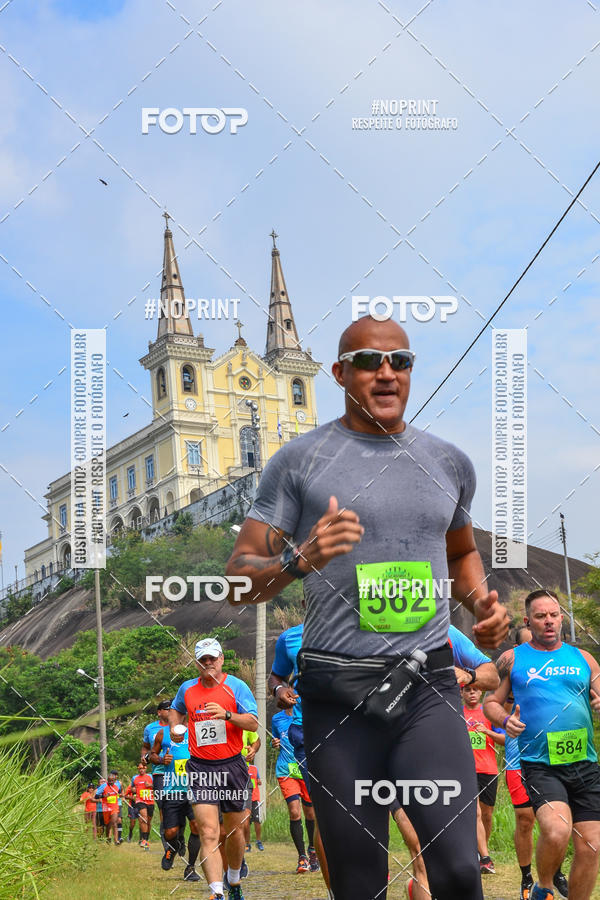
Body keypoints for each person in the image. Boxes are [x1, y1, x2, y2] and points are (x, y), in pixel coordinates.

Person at [226, 315, 509, 899]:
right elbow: (238, 578)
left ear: (410, 373)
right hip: (338, 696)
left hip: (426, 687)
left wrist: (480, 600)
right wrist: (298, 561)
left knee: (458, 870)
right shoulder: (299, 462)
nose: (386, 372)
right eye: (368, 361)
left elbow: (461, 556)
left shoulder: (450, 462)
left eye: (399, 361)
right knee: (359, 883)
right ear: (338, 373)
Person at [484, 589, 600, 900]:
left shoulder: (583, 658)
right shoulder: (513, 658)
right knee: (557, 830)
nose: (548, 621)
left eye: (553, 615)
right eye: (540, 616)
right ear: (528, 621)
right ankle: (544, 887)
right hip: (541, 764)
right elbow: (490, 702)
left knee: (591, 846)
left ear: (561, 617)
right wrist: (505, 719)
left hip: (585, 763)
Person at [390, 622, 500, 899]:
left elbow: (492, 676)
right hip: (391, 756)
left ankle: (418, 888)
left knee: (457, 864)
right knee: (419, 851)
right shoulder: (370, 629)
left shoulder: (446, 631)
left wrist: (467, 674)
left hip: (441, 757)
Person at [169, 636, 258, 900]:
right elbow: (176, 710)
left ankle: (233, 877)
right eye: (202, 659)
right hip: (201, 768)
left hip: (232, 766)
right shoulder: (187, 688)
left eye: (212, 658)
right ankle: (216, 892)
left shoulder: (237, 687)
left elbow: (253, 723)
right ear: (197, 662)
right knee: (208, 831)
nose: (208, 663)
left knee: (235, 831)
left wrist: (227, 714)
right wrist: (175, 729)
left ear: (221, 659)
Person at [504, 627, 569, 900]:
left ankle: (555, 872)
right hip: (519, 760)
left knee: (556, 821)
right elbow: (491, 705)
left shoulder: (557, 670)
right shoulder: (510, 670)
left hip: (554, 757)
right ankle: (526, 877)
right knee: (525, 820)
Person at [461, 683, 505, 874]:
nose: (472, 693)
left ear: (481, 692)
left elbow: (504, 739)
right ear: (461, 692)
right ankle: (482, 856)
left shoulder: (489, 713)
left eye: (475, 690)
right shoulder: (456, 713)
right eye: (467, 689)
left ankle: (482, 853)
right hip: (465, 770)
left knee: (486, 815)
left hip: (488, 770)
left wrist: (487, 731)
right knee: (474, 813)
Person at [149, 722, 201, 882]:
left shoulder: (195, 729)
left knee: (196, 826)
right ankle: (173, 846)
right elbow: (151, 755)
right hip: (172, 789)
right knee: (170, 832)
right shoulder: (162, 734)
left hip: (194, 787)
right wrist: (161, 759)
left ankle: (190, 867)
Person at [272, 704, 317, 874]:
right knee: (294, 811)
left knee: (311, 814)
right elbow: (275, 739)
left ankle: (313, 850)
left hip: (305, 767)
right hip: (286, 770)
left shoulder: (309, 714)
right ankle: (302, 856)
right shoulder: (277, 718)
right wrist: (273, 743)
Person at [142, 699, 174, 851]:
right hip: (159, 772)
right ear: (159, 712)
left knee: (181, 806)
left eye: (171, 708)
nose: (169, 711)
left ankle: (178, 837)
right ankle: (167, 844)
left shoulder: (179, 727)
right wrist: (144, 757)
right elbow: (146, 747)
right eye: (167, 709)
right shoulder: (150, 728)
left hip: (178, 773)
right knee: (163, 807)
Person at [130, 762, 154, 849]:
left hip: (150, 801)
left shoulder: (151, 776)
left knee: (148, 822)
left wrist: (150, 785)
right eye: (140, 768)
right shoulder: (135, 778)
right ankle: (144, 839)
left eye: (143, 768)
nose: (141, 770)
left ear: (146, 768)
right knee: (144, 818)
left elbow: (158, 786)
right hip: (140, 801)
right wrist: (133, 790)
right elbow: (132, 788)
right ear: (138, 769)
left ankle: (146, 839)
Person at [95, 770, 123, 844]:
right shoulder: (103, 786)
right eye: (109, 781)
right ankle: (108, 838)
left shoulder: (117, 786)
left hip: (114, 807)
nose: (111, 782)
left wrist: (120, 795)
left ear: (114, 781)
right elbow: (96, 795)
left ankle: (116, 840)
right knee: (108, 824)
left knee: (114, 822)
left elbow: (119, 793)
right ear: (107, 780)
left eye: (112, 781)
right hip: (106, 807)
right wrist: (104, 796)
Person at [243, 762, 263, 851]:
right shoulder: (240, 766)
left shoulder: (254, 768)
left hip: (255, 798)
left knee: (257, 820)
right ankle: (247, 843)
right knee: (246, 822)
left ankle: (258, 841)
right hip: (245, 798)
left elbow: (259, 781)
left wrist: (258, 781)